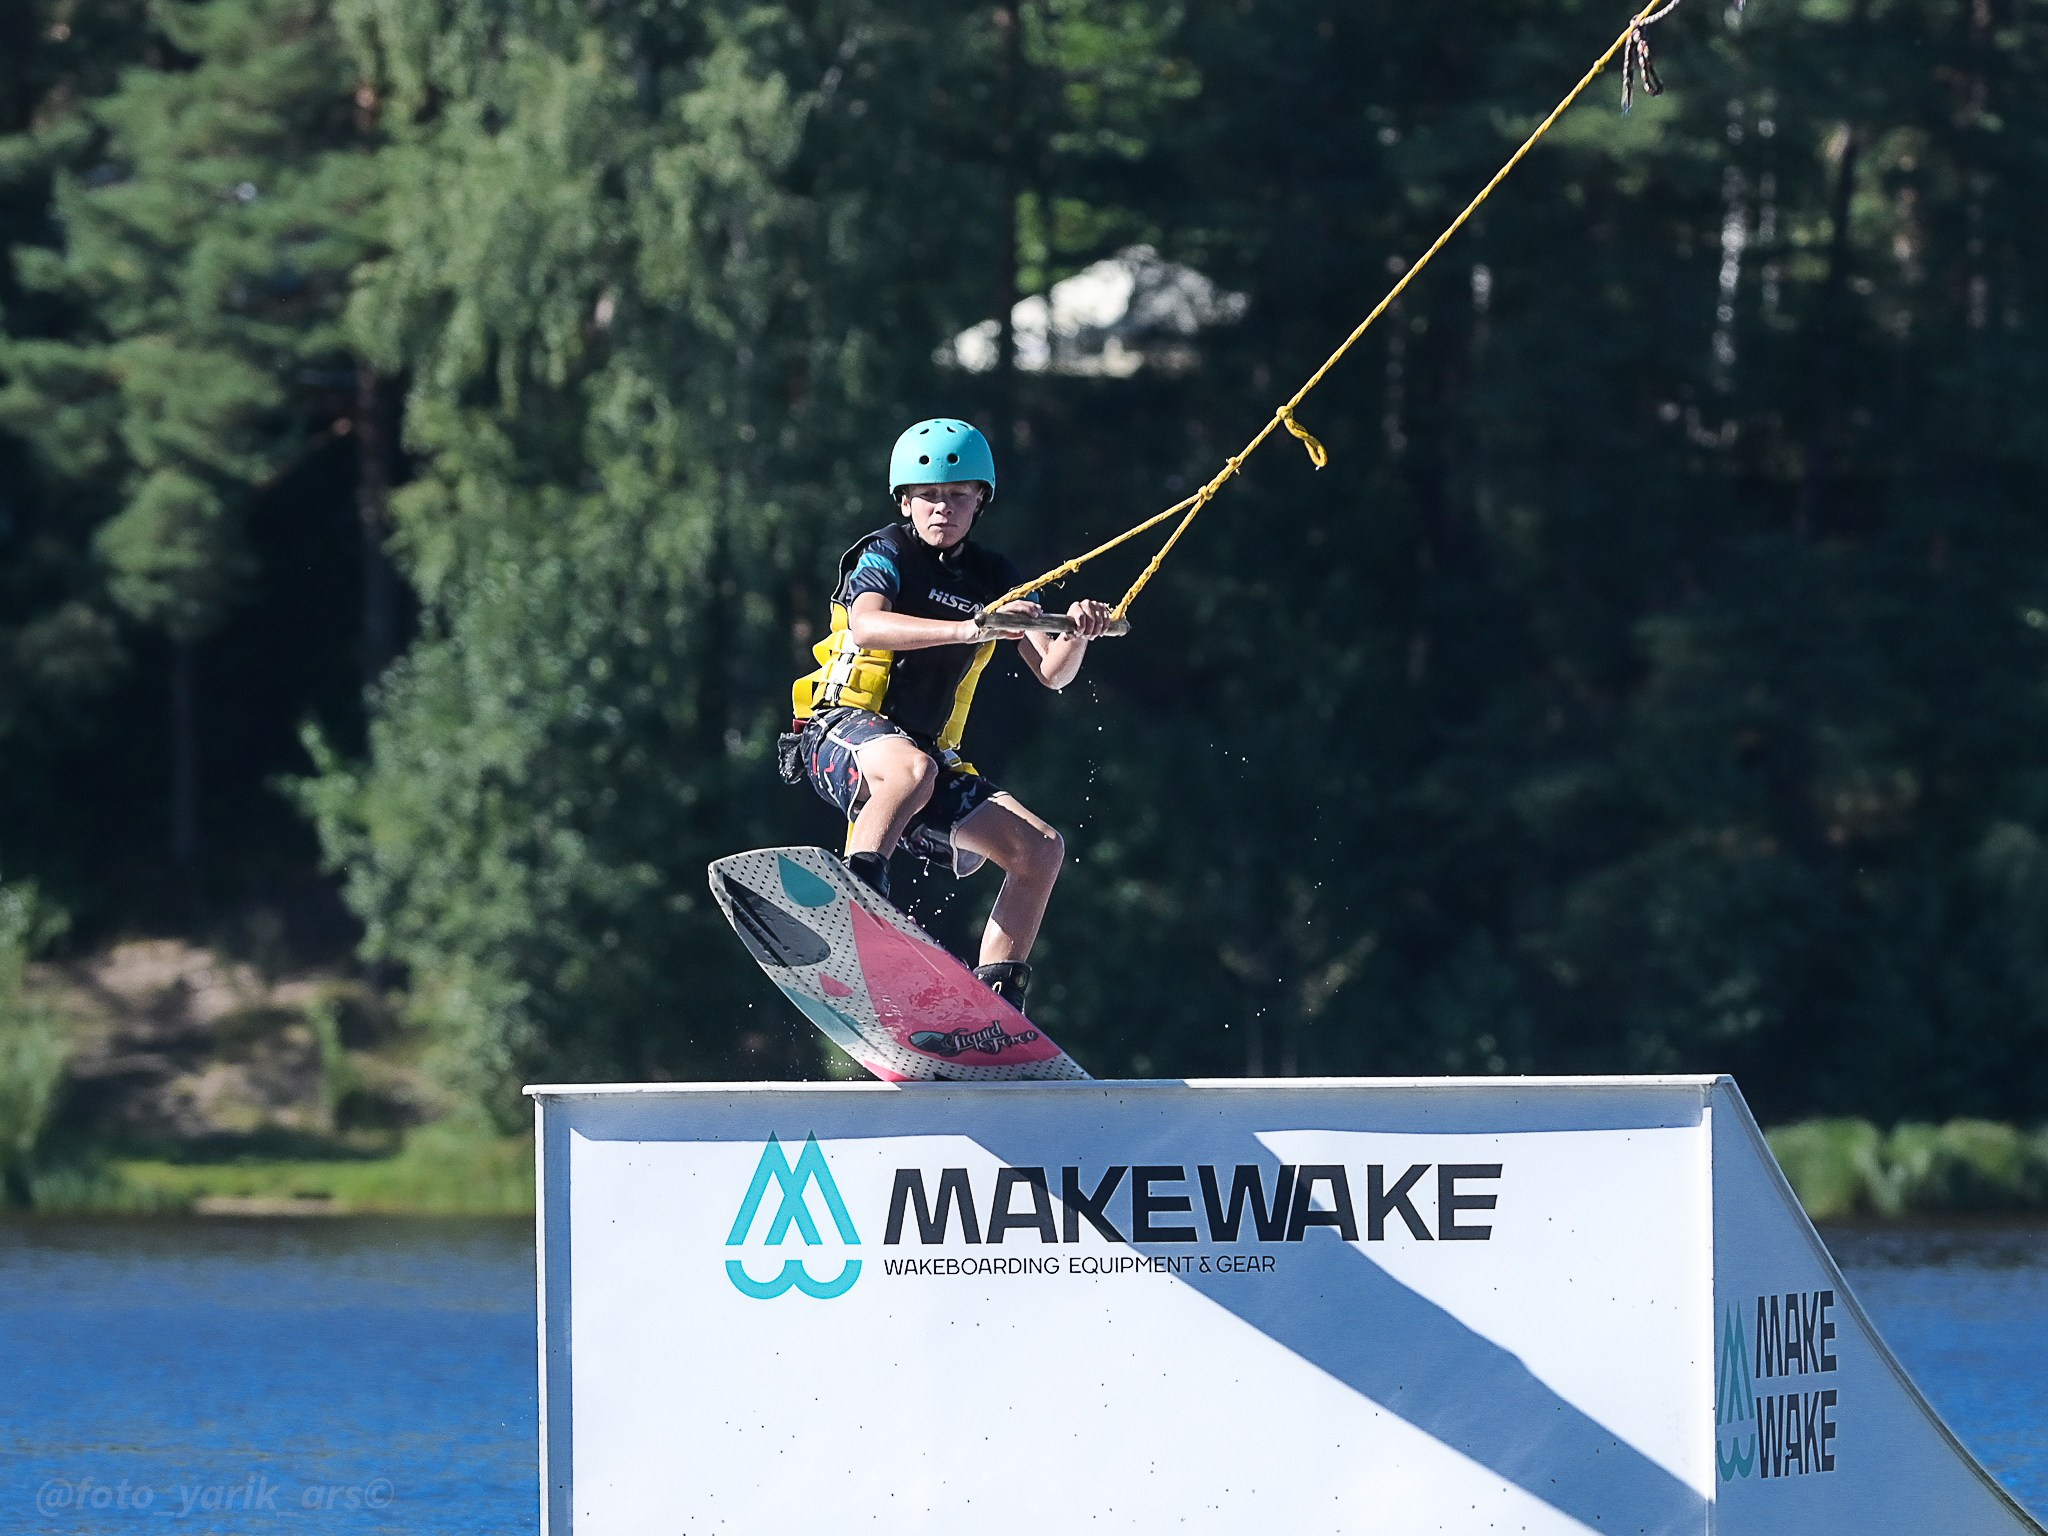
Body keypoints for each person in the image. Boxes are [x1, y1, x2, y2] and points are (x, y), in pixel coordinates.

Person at [785, 418, 1113, 1015]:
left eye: (959, 495)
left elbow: (1053, 671)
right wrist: (968, 627)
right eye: (929, 495)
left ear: (980, 501)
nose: (943, 507)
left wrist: (1077, 628)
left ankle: (995, 1006)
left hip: (926, 761)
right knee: (910, 770)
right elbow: (866, 623)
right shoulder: (886, 552)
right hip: (838, 731)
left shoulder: (996, 577)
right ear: (905, 501)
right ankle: (858, 915)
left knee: (1040, 848)